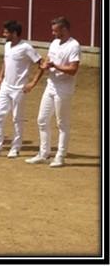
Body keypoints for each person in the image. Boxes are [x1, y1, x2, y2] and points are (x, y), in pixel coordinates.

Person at [26, 17, 80, 167]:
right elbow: (46, 62)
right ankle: (43, 153)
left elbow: (73, 69)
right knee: (42, 120)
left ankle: (60, 156)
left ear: (64, 29)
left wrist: (55, 66)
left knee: (62, 123)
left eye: (55, 30)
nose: (53, 33)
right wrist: (35, 79)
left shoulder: (74, 45)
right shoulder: (54, 43)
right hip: (51, 86)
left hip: (64, 89)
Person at [0, 20, 42, 157]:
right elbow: (5, 62)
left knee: (17, 118)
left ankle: (15, 147)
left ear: (14, 33)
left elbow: (41, 63)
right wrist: (0, 77)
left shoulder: (26, 47)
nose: (3, 35)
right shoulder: (7, 45)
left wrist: (32, 83)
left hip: (19, 89)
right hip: (6, 86)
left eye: (6, 32)